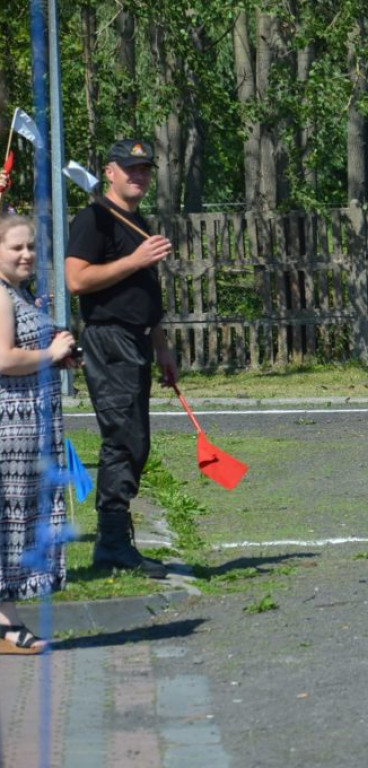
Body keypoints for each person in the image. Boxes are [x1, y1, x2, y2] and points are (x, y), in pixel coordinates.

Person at [65, 139, 178, 579]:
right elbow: (76, 280)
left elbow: (147, 291)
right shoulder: (94, 219)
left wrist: (161, 346)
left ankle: (115, 542)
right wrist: (134, 259)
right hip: (109, 339)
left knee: (136, 440)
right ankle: (111, 544)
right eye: (130, 168)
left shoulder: (136, 221)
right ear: (109, 172)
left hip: (136, 339)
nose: (139, 176)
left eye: (145, 169)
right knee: (123, 439)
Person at [0, 215, 78, 654]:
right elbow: (4, 358)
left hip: (26, 427)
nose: (27, 254)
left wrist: (56, 356)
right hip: (8, 430)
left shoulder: (17, 292)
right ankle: (6, 625)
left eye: (30, 246)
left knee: (15, 525)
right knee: (8, 526)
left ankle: (6, 620)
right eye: (16, 248)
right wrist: (50, 353)